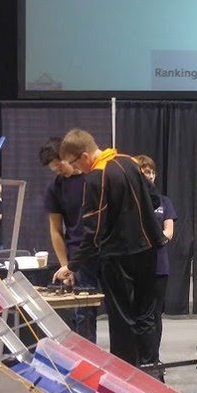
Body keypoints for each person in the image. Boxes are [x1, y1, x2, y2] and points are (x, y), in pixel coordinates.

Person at [52, 129, 165, 367]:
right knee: (146, 317)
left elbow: (93, 232)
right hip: (148, 251)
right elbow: (155, 199)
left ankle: (125, 377)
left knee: (122, 321)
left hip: (119, 257)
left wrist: (72, 265)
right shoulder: (129, 161)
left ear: (84, 156)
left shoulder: (97, 177)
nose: (77, 169)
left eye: (74, 163)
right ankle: (152, 371)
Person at [39, 139, 98, 342]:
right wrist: (66, 265)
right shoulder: (55, 187)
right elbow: (55, 229)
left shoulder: (93, 176)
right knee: (84, 312)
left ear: (68, 156)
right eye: (54, 169)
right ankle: (86, 357)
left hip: (106, 249)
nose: (59, 171)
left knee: (119, 307)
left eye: (60, 165)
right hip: (78, 255)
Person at [135, 155, 176, 364]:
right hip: (136, 265)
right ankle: (137, 358)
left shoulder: (164, 201)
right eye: (145, 172)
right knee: (138, 314)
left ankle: (154, 360)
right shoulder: (131, 200)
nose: (149, 176)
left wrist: (155, 239)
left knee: (155, 314)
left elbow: (169, 231)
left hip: (159, 264)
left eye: (152, 172)